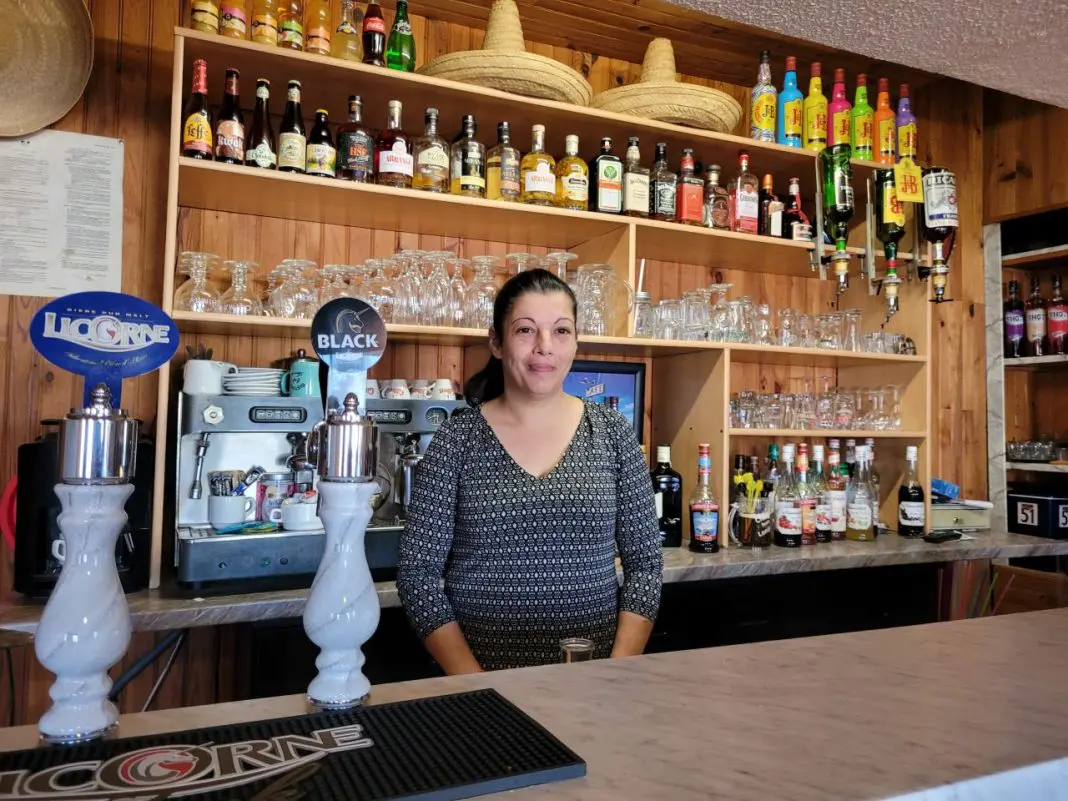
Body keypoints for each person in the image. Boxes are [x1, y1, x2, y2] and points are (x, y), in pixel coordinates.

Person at [396, 268, 663, 673]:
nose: (545, 347)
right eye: (525, 330)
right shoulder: (457, 439)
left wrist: (616, 673)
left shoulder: (611, 432)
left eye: (561, 331)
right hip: (482, 682)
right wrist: (474, 683)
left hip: (592, 681)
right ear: (496, 343)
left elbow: (645, 565)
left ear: (576, 341)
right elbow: (418, 576)